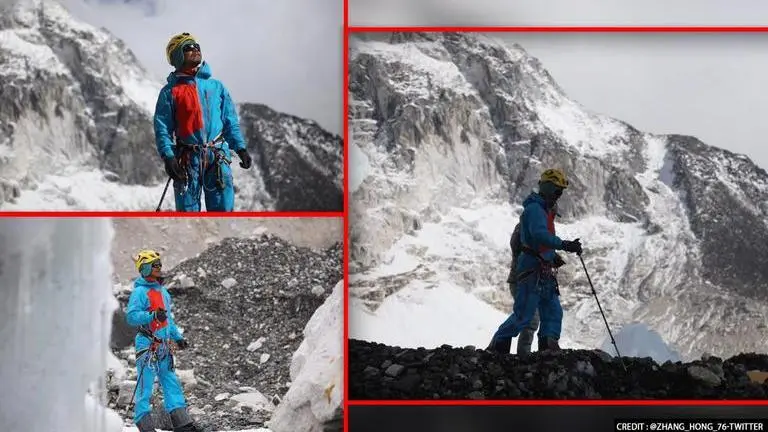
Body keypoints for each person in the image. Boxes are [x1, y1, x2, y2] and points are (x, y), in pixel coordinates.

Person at [154, 32, 253, 212]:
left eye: (196, 46)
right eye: (188, 48)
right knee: (187, 213)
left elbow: (230, 120)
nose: (195, 50)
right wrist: (168, 156)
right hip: (186, 159)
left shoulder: (217, 87)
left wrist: (240, 148)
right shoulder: (170, 92)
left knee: (223, 210)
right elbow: (162, 128)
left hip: (217, 156)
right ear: (177, 56)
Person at [488, 168, 582, 354]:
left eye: (561, 192)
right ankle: (499, 343)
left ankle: (547, 346)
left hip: (541, 270)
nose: (559, 195)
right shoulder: (535, 210)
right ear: (548, 188)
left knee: (552, 311)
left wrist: (552, 256)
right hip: (532, 269)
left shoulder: (544, 211)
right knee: (524, 315)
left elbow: (538, 240)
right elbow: (539, 235)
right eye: (557, 190)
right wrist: (564, 245)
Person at [126, 250, 203, 432]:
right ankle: (145, 425)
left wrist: (178, 337)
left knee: (171, 382)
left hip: (163, 346)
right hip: (147, 344)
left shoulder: (163, 292)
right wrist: (152, 315)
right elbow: (131, 317)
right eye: (155, 264)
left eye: (159, 263)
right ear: (144, 268)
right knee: (145, 386)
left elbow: (168, 320)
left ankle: (183, 424)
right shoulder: (139, 292)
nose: (159, 267)